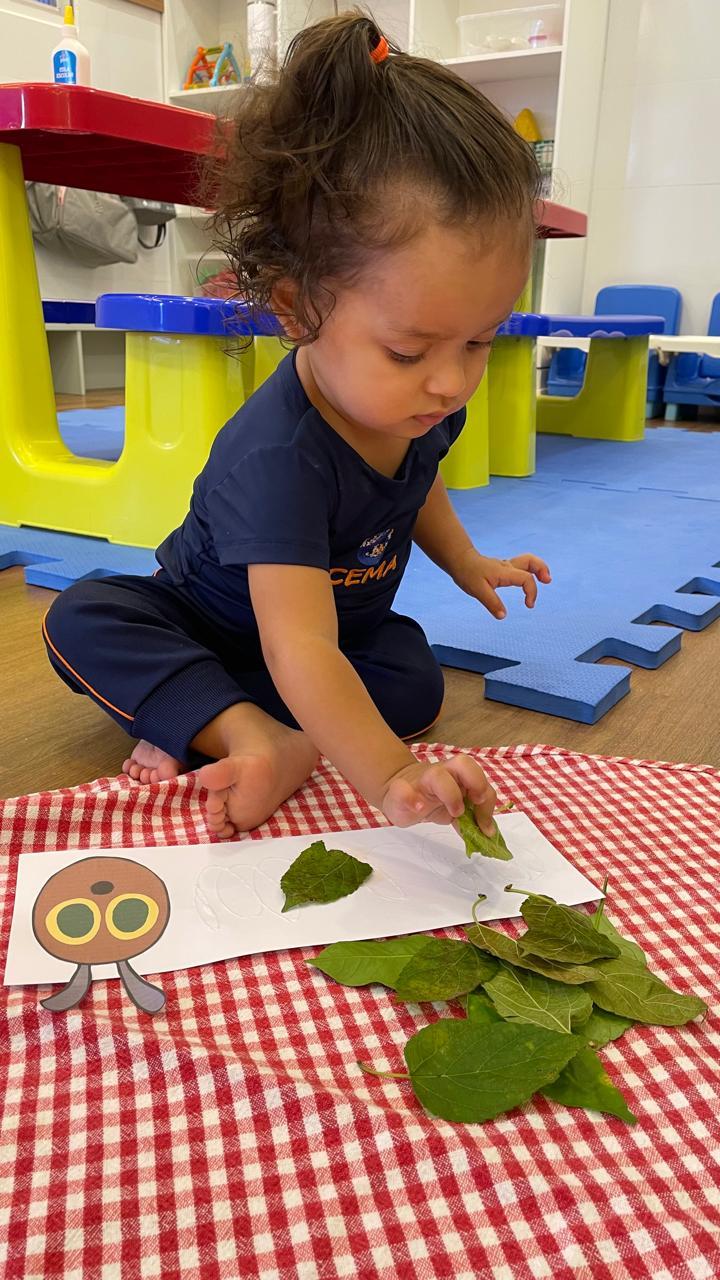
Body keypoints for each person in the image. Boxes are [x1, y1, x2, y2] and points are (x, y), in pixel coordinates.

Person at [43, 10, 551, 840]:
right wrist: (391, 776)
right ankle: (253, 732)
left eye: (480, 341)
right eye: (408, 350)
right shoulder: (278, 458)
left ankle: (215, 716)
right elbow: (298, 644)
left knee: (414, 678)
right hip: (212, 624)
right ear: (296, 307)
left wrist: (466, 561)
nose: (452, 381)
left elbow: (416, 485)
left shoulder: (418, 405)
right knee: (83, 618)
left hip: (332, 635)